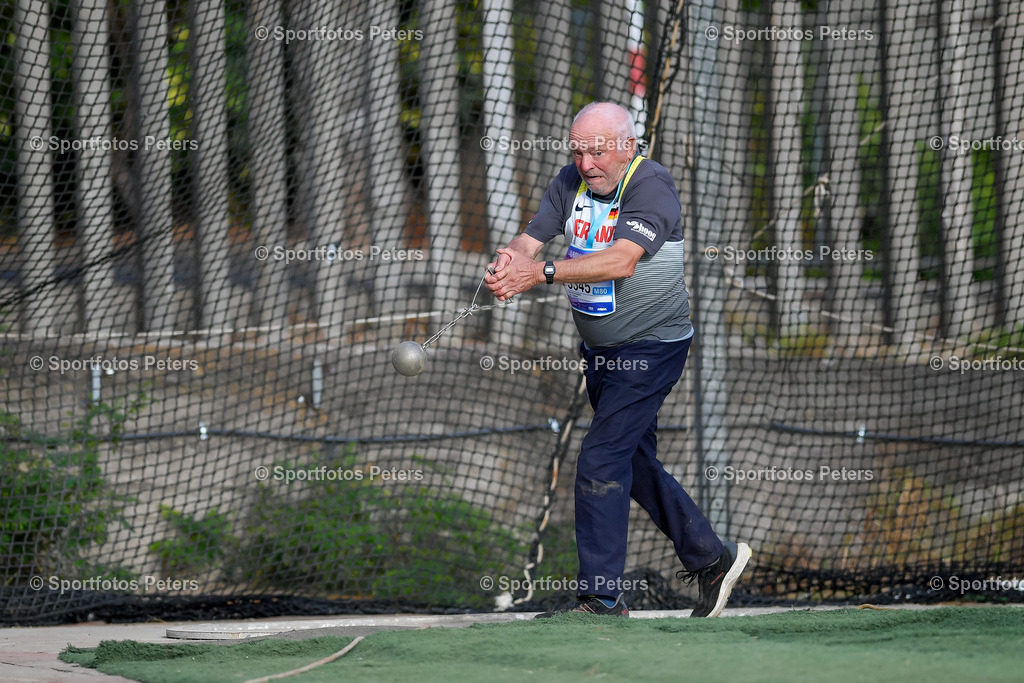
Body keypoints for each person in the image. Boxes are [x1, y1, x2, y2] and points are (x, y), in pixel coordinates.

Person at [485, 102, 750, 618]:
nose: (585, 163)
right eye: (578, 150)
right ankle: (711, 560)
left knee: (601, 459)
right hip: (600, 352)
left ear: (627, 146)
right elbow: (531, 237)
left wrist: (538, 275)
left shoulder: (650, 186)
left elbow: (622, 261)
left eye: (597, 151)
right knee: (632, 459)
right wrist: (510, 259)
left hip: (652, 349)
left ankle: (602, 600)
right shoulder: (570, 181)